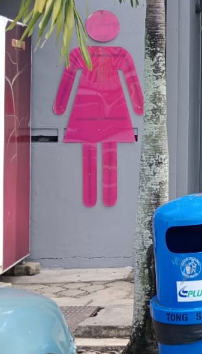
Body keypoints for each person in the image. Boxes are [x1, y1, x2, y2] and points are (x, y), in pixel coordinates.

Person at [53, 11, 143, 207]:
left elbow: (67, 80)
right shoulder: (119, 53)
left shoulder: (80, 53)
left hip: (86, 109)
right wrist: (138, 105)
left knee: (89, 151)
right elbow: (132, 80)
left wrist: (60, 106)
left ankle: (93, 198)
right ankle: (107, 198)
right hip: (113, 109)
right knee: (109, 151)